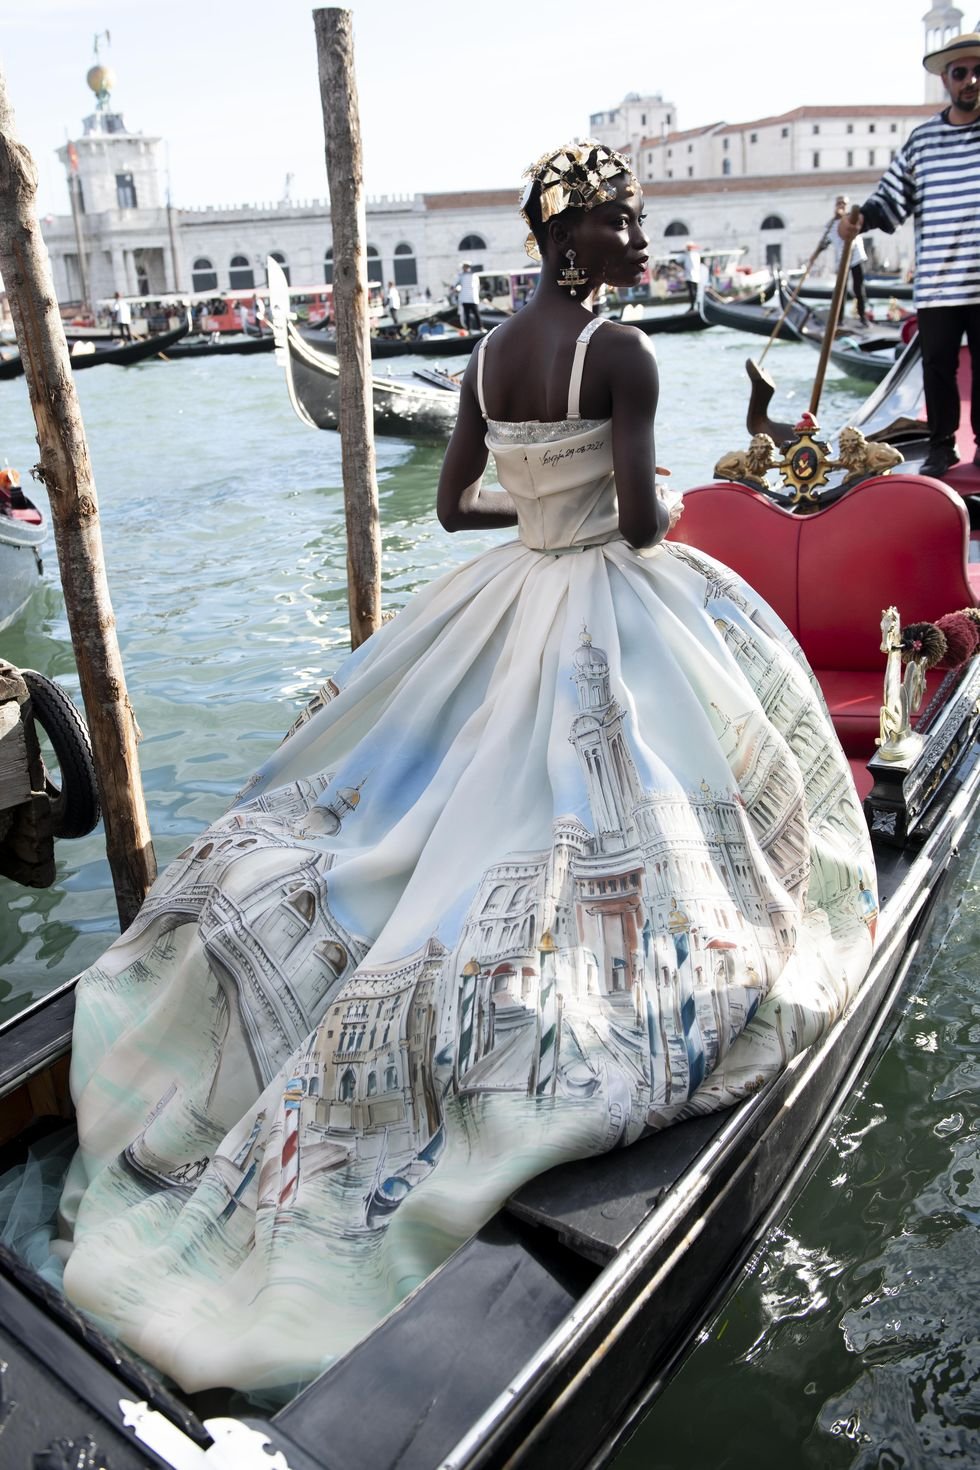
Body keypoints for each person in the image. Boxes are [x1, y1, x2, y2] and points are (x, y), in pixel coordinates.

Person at [53, 139, 875, 1397]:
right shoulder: (624, 351)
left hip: (507, 589)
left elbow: (451, 509)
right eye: (622, 222)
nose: (639, 240)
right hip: (610, 595)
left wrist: (536, 512)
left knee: (450, 794)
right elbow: (643, 524)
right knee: (673, 774)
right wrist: (640, 502)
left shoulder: (487, 355)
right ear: (570, 234)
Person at [838, 30, 980, 478]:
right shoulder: (922, 142)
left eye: (978, 71)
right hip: (938, 283)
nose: (970, 80)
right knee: (937, 368)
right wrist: (860, 219)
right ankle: (941, 447)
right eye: (961, 72)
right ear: (946, 80)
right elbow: (890, 200)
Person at [826, 195, 869, 325]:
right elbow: (827, 240)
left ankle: (862, 317)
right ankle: (839, 319)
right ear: (836, 205)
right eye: (839, 203)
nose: (841, 206)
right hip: (842, 260)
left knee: (858, 289)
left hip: (856, 258)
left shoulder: (852, 218)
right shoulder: (831, 224)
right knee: (841, 290)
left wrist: (843, 217)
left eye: (844, 204)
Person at [456, 260, 483, 331]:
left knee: (476, 313)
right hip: (465, 298)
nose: (465, 268)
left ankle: (480, 327)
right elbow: (456, 284)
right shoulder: (461, 275)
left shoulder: (474, 275)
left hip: (473, 298)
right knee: (466, 314)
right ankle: (468, 329)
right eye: (464, 267)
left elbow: (477, 287)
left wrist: (477, 296)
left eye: (467, 267)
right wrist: (456, 288)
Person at [681, 242, 701, 308]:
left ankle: (693, 306)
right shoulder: (695, 254)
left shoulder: (688, 255)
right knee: (695, 292)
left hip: (691, 276)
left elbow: (678, 260)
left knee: (693, 292)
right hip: (694, 276)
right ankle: (695, 306)